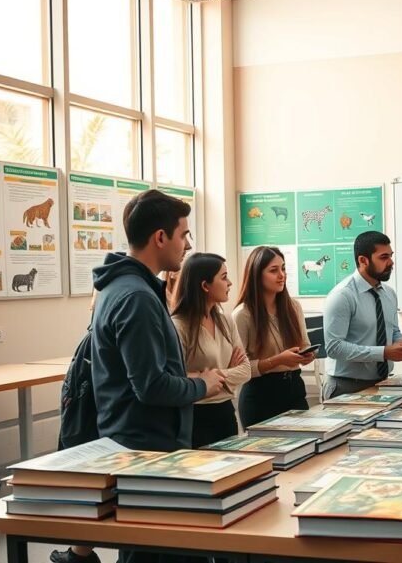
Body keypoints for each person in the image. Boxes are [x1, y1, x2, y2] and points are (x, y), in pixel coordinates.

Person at [88, 189, 224, 563]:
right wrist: (203, 384)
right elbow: (150, 385)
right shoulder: (136, 297)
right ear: (160, 237)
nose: (187, 244)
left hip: (147, 446)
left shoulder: (129, 288)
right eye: (183, 235)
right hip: (147, 450)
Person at [322, 231, 402, 398]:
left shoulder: (389, 294)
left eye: (391, 256)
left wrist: (399, 342)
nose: (391, 262)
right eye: (383, 257)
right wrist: (384, 353)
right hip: (346, 387)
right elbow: (334, 348)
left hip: (382, 384)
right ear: (363, 260)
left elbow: (392, 329)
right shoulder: (342, 296)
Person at [171, 253, 251, 448]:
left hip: (225, 413)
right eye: (223, 277)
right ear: (205, 285)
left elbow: (246, 370)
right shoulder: (178, 326)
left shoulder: (226, 321)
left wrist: (210, 376)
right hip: (195, 418)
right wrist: (226, 375)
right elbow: (176, 378)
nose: (230, 283)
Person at [233, 246, 315, 426]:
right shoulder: (242, 315)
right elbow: (238, 369)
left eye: (283, 268)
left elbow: (304, 344)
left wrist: (306, 355)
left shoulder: (293, 307)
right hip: (261, 394)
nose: (282, 275)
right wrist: (276, 361)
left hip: (294, 389)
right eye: (273, 270)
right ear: (256, 274)